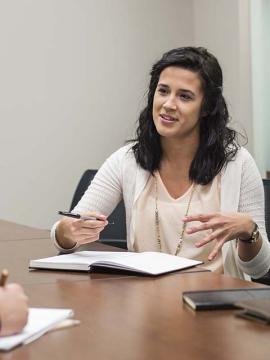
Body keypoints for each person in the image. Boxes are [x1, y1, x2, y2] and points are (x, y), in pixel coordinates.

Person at [52, 46, 270, 280]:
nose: (168, 104)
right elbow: (67, 239)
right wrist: (68, 231)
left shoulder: (237, 163)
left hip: (216, 304)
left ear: (206, 107)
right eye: (163, 91)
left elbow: (258, 269)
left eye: (184, 96)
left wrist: (249, 230)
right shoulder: (127, 160)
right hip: (147, 301)